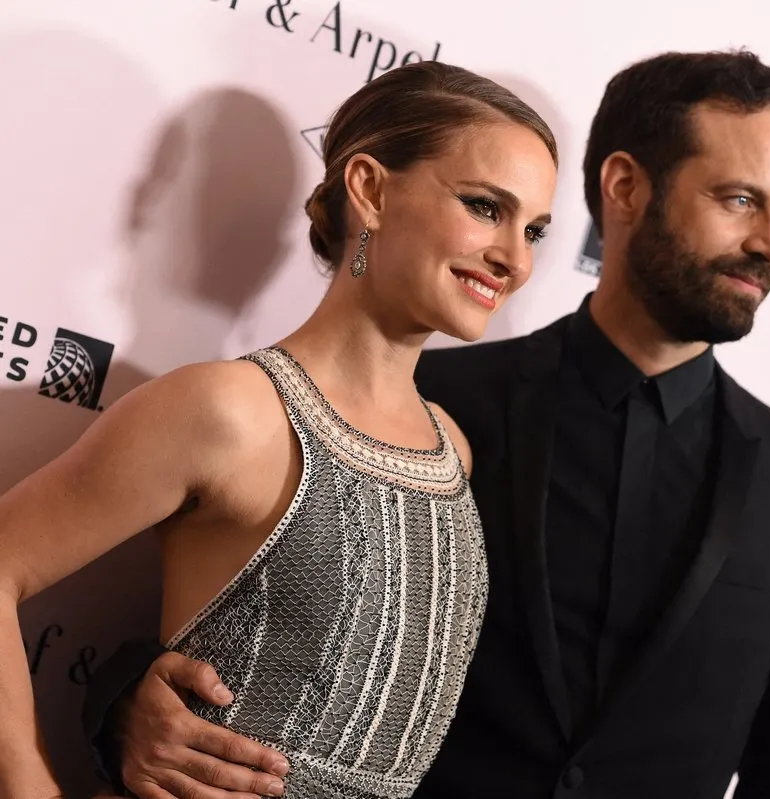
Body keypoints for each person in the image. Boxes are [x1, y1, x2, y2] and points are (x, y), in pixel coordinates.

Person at [85, 49, 770, 799]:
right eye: (739, 200)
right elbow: (253, 608)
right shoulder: (438, 403)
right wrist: (127, 707)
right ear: (624, 188)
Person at [0, 60, 557, 799]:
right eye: (486, 207)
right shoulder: (231, 408)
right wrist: (28, 784)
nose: (515, 258)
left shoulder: (450, 445)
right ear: (371, 188)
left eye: (535, 229)